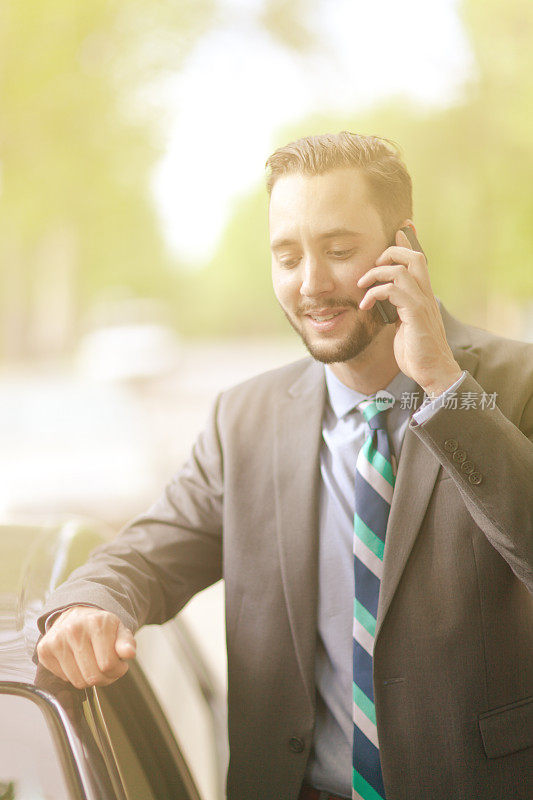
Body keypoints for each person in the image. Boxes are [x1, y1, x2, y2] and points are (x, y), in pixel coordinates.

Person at [36, 132, 533, 800]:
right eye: (287, 255)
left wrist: (443, 385)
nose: (311, 283)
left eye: (337, 250)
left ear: (403, 248)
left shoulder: (514, 384)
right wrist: (91, 603)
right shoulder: (242, 420)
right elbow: (149, 553)